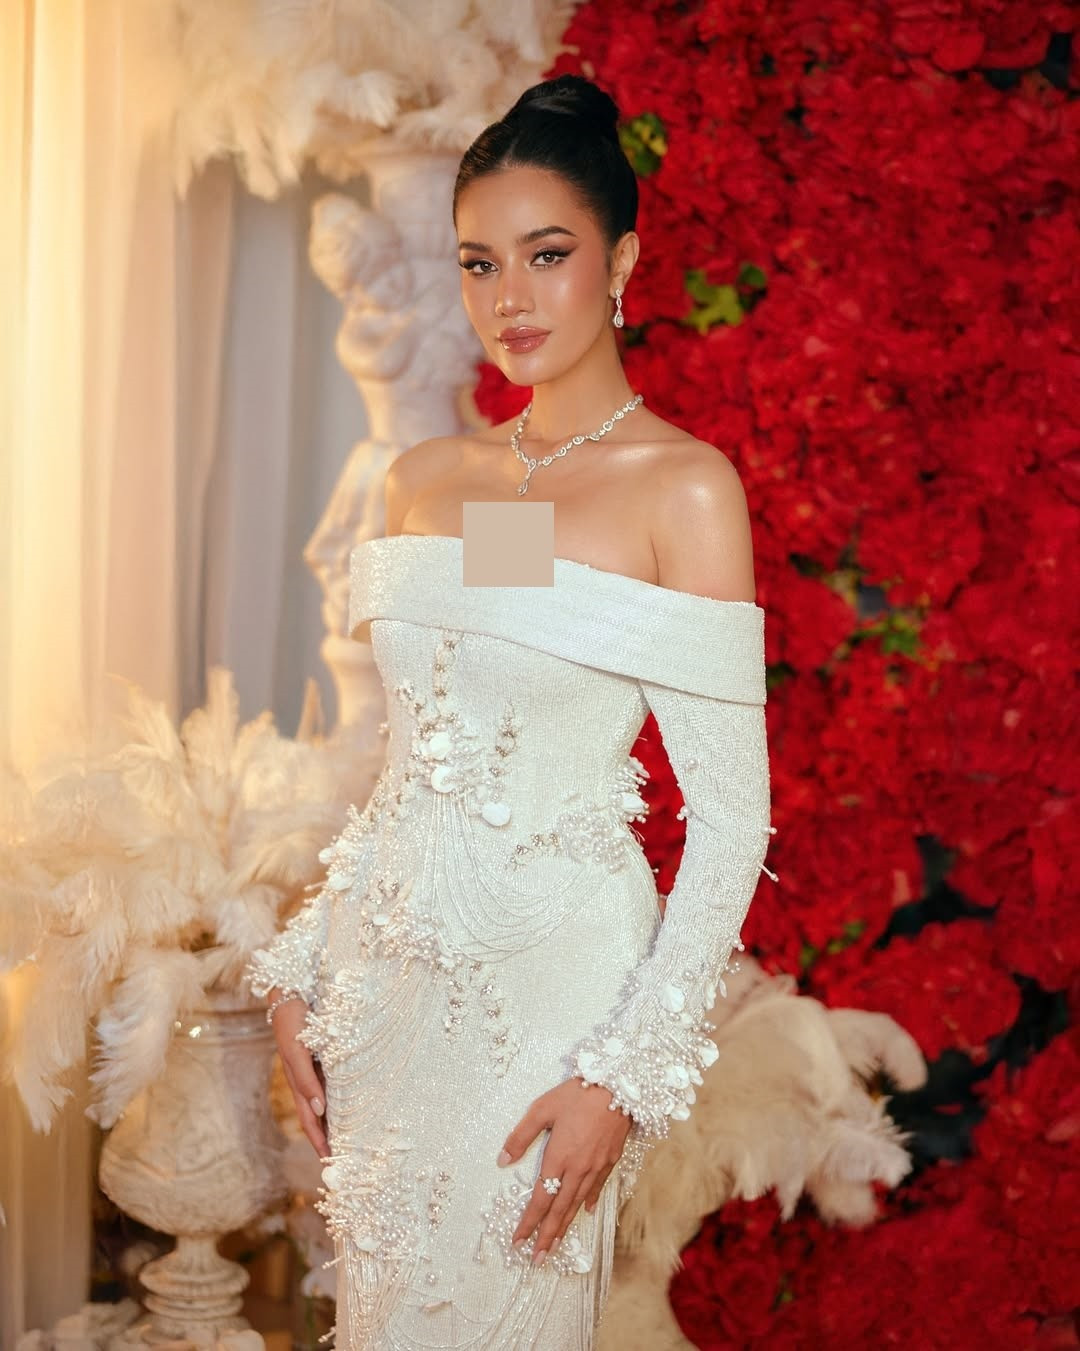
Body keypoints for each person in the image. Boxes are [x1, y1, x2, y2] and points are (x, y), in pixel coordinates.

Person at [247, 72, 775, 1351]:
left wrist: (620, 1079)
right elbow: (424, 758)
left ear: (622, 263)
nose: (510, 299)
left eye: (548, 255)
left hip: (553, 1011)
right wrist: (302, 970)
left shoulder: (684, 490)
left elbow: (730, 825)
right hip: (386, 1001)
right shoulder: (436, 483)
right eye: (480, 264)